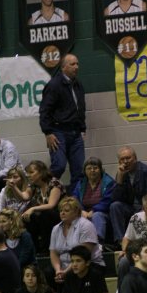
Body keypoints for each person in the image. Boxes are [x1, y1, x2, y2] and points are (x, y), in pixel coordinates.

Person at [39, 53, 86, 192]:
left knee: (78, 170)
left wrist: (82, 129)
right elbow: (44, 110)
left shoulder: (78, 84)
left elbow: (81, 108)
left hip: (76, 132)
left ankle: (74, 201)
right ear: (63, 67)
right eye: (72, 64)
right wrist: (48, 132)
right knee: (59, 166)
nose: (76, 67)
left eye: (77, 64)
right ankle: (44, 193)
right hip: (58, 131)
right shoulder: (54, 85)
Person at [49, 197, 105, 290]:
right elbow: (53, 253)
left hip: (87, 263)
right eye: (61, 210)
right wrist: (58, 270)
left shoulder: (86, 225)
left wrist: (66, 272)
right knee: (48, 272)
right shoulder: (56, 229)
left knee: (72, 273)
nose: (62, 213)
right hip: (65, 265)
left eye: (66, 210)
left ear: (76, 212)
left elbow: (82, 254)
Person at [17, 160, 65, 253]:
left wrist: (33, 208)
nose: (28, 175)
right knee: (27, 217)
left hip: (60, 214)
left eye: (31, 172)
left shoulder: (54, 183)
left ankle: (47, 249)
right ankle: (34, 249)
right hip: (44, 216)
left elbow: (51, 205)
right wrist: (13, 187)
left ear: (41, 172)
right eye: (27, 173)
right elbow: (24, 197)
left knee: (45, 215)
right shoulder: (34, 185)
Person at [72, 157, 116, 243]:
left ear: (100, 170)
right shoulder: (81, 183)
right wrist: (81, 211)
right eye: (89, 168)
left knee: (97, 216)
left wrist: (94, 210)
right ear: (85, 171)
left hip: (103, 213)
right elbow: (74, 198)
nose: (92, 170)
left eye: (95, 168)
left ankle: (97, 242)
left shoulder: (109, 182)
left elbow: (108, 200)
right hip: (84, 212)